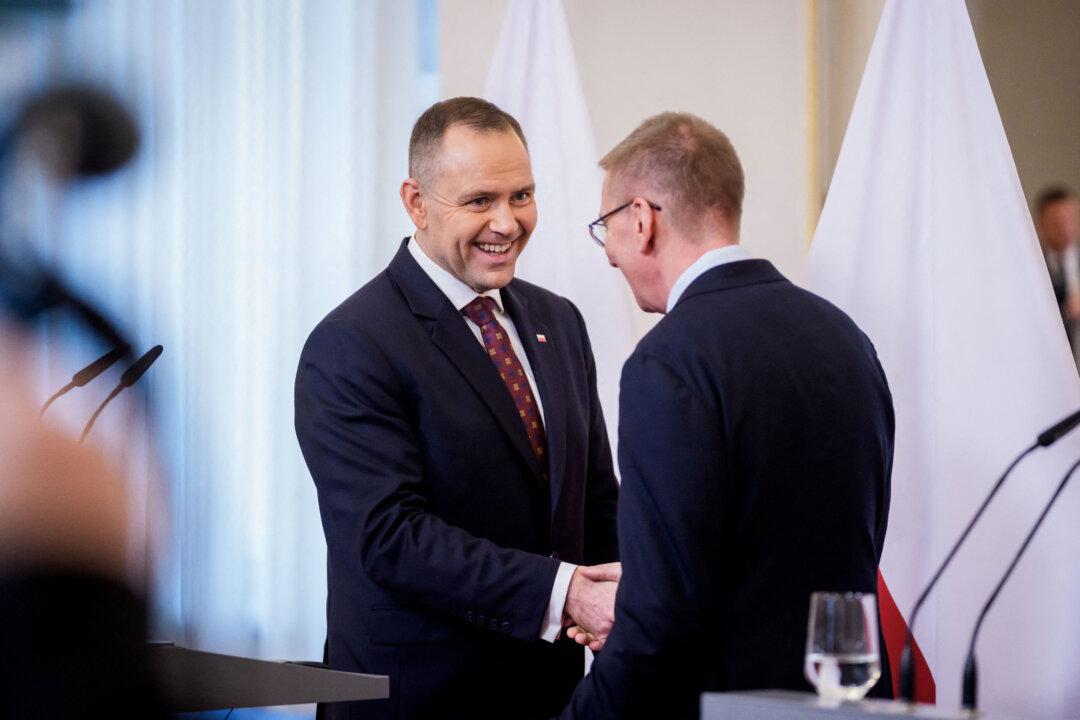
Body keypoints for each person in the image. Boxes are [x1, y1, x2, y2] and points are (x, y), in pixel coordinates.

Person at [294, 97, 620, 720]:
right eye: (479, 201)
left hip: (553, 699)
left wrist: (642, 591)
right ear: (416, 202)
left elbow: (594, 498)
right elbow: (389, 536)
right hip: (418, 701)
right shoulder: (353, 343)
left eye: (522, 196)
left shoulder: (558, 321)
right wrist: (565, 593)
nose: (507, 222)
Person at [561, 112, 894, 719]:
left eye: (604, 225)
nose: (608, 253)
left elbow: (663, 624)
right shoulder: (845, 338)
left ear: (642, 219)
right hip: (847, 706)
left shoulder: (667, 364)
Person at [1035, 185, 1080, 358]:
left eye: (1070, 219)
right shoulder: (1035, 270)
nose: (1064, 227)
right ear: (1040, 223)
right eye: (1056, 221)